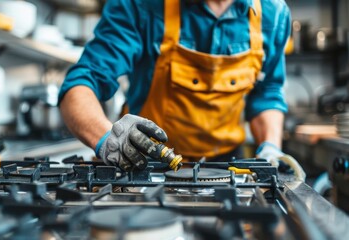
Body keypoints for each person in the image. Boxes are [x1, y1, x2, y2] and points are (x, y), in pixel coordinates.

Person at [59, 0, 305, 179]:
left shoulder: (273, 13)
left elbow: (267, 91)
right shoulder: (140, 5)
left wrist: (271, 148)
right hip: (145, 165)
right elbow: (81, 83)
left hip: (230, 167)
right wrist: (106, 139)